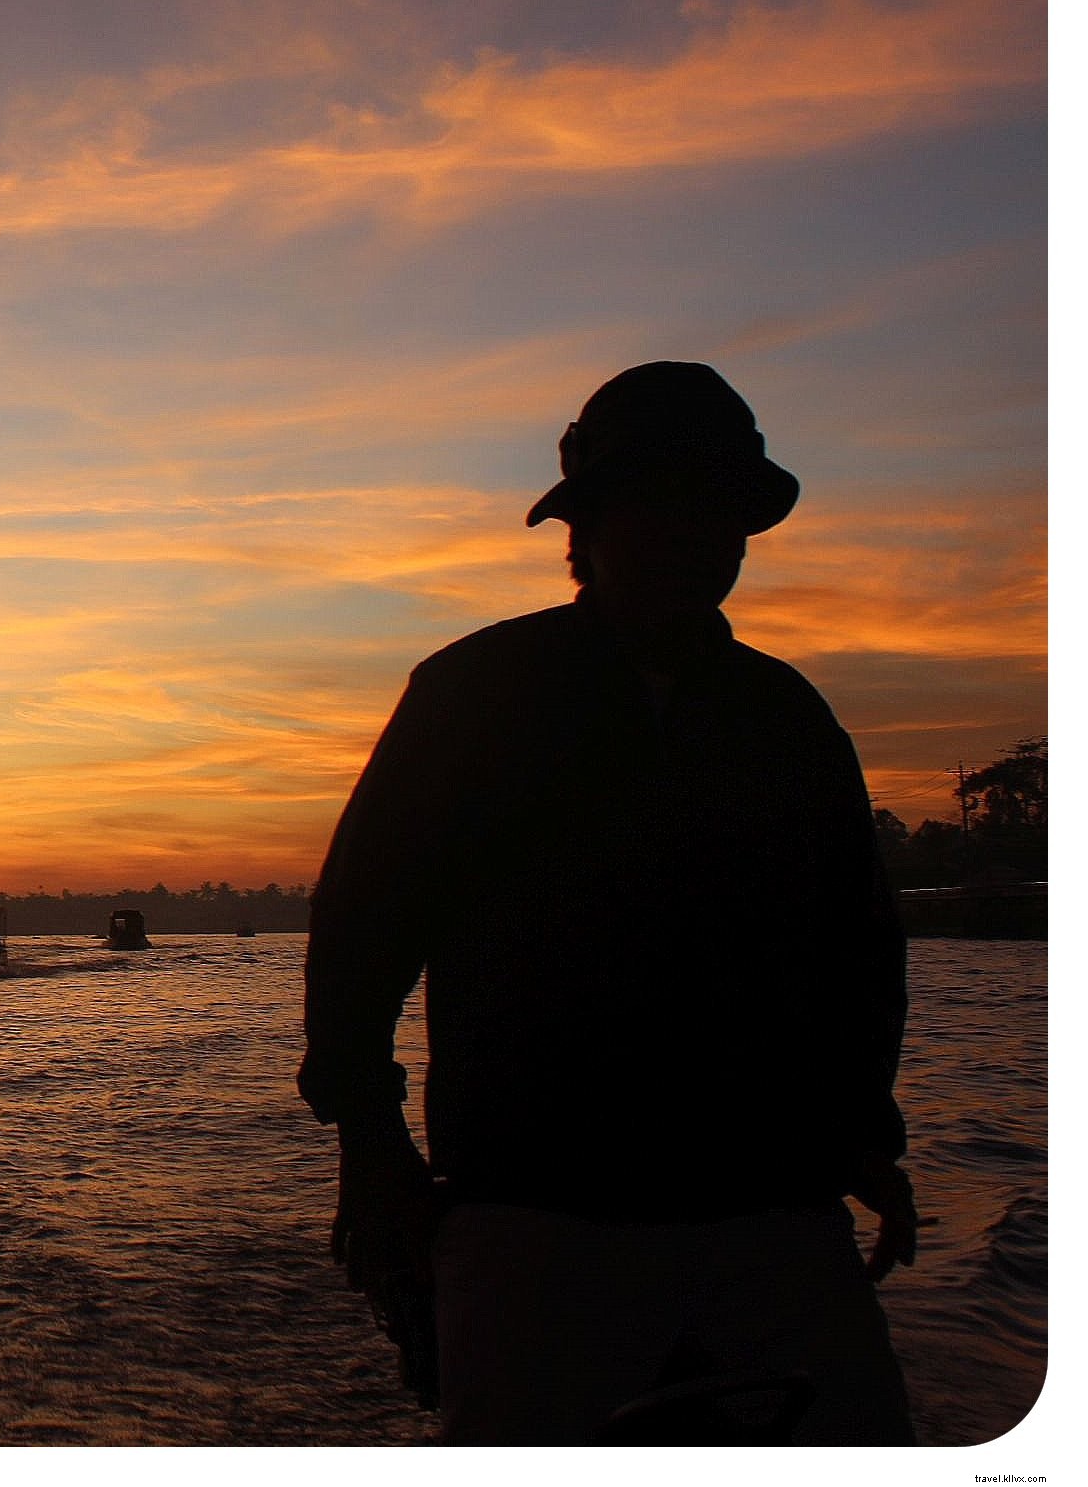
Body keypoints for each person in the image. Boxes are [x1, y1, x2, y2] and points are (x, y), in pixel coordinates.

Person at [297, 361, 917, 1444]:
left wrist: (862, 1132)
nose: (687, 533)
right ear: (583, 532)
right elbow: (362, 929)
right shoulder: (473, 694)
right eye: (656, 503)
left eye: (712, 508)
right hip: (535, 1209)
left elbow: (854, 949)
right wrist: (369, 1142)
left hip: (769, 1205)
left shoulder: (785, 718)